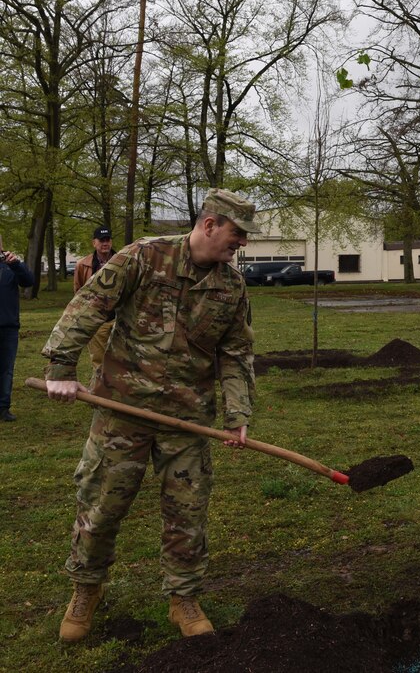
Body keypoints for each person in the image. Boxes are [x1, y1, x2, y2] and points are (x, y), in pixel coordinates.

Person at [42, 189, 260, 643]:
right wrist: (62, 366)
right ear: (210, 224)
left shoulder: (231, 286)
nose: (240, 244)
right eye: (237, 234)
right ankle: (86, 589)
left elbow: (236, 353)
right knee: (101, 505)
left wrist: (237, 413)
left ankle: (184, 599)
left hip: (188, 417)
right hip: (122, 408)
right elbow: (88, 307)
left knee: (187, 513)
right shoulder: (144, 257)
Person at [73, 226, 117, 377]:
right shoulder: (82, 265)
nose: (105, 243)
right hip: (96, 320)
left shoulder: (123, 261)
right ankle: (99, 395)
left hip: (120, 319)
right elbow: (78, 292)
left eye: (108, 240)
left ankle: (120, 394)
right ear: (94, 243)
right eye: (101, 240)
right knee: (99, 360)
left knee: (121, 358)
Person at [0, 243, 35, 422]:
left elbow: (29, 281)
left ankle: (3, 408)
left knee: (6, 369)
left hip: (8, 327)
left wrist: (16, 264)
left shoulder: (10, 264)